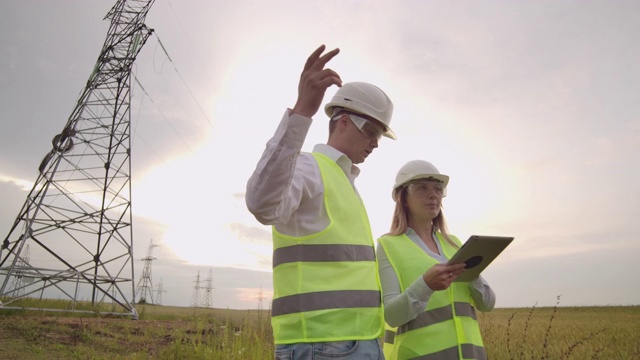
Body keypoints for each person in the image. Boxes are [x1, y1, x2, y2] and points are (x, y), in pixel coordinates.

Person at [245, 44, 397, 359]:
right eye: (370, 131)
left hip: (360, 341)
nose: (374, 143)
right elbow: (261, 203)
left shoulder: (345, 182)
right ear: (342, 121)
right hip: (323, 345)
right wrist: (302, 111)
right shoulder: (309, 168)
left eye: (379, 136)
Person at [376, 160, 496, 360]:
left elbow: (487, 304)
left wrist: (471, 274)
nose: (433, 195)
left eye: (438, 189)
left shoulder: (455, 244)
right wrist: (425, 285)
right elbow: (392, 315)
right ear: (403, 197)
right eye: (422, 188)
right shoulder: (388, 245)